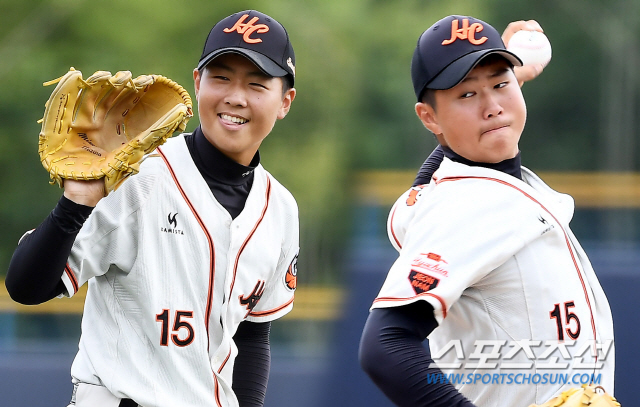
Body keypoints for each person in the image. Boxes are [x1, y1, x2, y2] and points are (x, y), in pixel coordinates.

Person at [6, 9, 299, 407]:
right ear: (197, 82)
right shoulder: (136, 175)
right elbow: (26, 287)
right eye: (221, 77)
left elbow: (252, 335)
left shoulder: (280, 209)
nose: (235, 96)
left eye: (257, 83)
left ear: (285, 101)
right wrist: (74, 204)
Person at [359, 15, 615, 407]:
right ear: (429, 117)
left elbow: (441, 172)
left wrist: (504, 83)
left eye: (501, 84)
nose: (493, 107)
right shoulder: (464, 205)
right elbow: (385, 345)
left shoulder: (478, 188)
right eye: (466, 95)